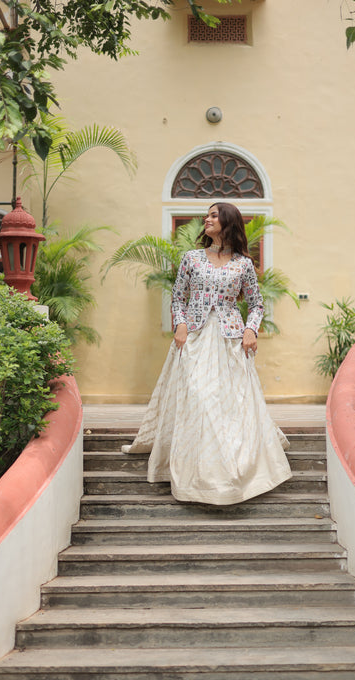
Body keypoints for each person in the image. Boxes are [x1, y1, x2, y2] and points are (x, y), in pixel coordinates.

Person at [121, 201, 292, 505]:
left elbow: (256, 304)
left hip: (230, 340)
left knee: (227, 404)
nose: (207, 219)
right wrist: (182, 325)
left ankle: (228, 473)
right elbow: (177, 298)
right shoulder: (192, 258)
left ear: (228, 222)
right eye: (207, 215)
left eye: (214, 215)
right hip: (195, 339)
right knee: (199, 396)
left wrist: (251, 330)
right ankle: (194, 475)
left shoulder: (243, 265)